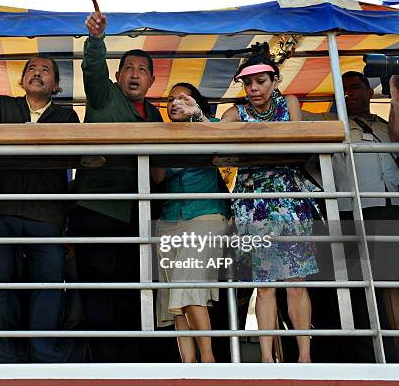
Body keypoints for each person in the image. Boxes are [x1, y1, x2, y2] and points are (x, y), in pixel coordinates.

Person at [0, 56, 79, 363]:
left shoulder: (66, 117)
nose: (37, 74)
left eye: (45, 71)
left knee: (49, 283)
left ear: (56, 85)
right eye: (31, 69)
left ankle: (43, 355)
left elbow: (67, 160)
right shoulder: (0, 105)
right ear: (22, 79)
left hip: (47, 215)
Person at [67, 0, 164, 363]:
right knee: (97, 295)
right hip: (96, 212)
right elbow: (92, 68)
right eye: (129, 68)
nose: (135, 74)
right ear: (119, 75)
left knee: (134, 294)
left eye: (143, 69)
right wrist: (96, 38)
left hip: (139, 219)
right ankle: (103, 366)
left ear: (153, 80)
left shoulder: (157, 115)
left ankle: (132, 366)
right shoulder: (104, 94)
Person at [220, 53, 318, 363]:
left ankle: (304, 357)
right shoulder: (234, 113)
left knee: (296, 283)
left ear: (276, 81)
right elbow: (213, 138)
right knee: (263, 286)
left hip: (289, 198)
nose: (254, 88)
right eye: (247, 83)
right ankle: (265, 358)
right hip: (252, 202)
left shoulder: (290, 102)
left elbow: (297, 145)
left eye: (260, 81)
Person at [152, 83, 229, 363]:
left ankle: (208, 362)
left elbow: (224, 143)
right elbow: (158, 179)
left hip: (205, 213)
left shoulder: (212, 125)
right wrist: (158, 142)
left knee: (187, 284)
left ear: (196, 102)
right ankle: (188, 365)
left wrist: (197, 118)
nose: (174, 103)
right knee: (176, 297)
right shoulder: (163, 133)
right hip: (169, 218)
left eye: (182, 98)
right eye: (170, 99)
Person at [330, 71, 398, 362]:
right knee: (363, 287)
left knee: (393, 282)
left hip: (390, 205)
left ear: (370, 92)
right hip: (353, 211)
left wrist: (395, 95)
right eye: (342, 89)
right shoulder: (331, 124)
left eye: (355, 87)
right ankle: (373, 356)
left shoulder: (385, 125)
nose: (349, 94)